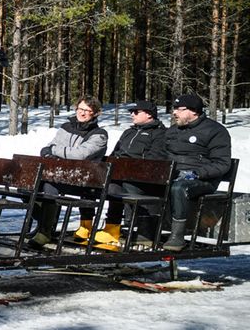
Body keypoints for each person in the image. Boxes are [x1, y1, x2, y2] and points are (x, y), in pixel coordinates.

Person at [29, 95, 109, 248]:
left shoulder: (99, 134)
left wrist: (54, 151)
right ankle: (44, 223)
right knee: (28, 185)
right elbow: (46, 148)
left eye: (88, 110)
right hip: (62, 175)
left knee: (49, 187)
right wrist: (53, 151)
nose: (83, 113)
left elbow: (80, 155)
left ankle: (45, 232)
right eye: (80, 109)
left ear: (95, 113)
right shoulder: (66, 127)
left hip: (84, 180)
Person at [162, 93, 232, 252]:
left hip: (203, 180)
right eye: (174, 109)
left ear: (194, 111)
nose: (174, 113)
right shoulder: (173, 131)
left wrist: (195, 173)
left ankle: (177, 236)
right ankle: (145, 230)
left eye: (180, 109)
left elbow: (222, 164)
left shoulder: (215, 131)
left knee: (179, 187)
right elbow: (162, 154)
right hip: (173, 174)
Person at [94, 100, 168, 249]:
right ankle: (111, 228)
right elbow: (115, 153)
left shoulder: (160, 134)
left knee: (125, 185)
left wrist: (129, 168)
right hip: (122, 174)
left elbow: (154, 159)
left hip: (145, 178)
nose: (132, 115)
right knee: (112, 186)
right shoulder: (129, 132)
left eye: (136, 112)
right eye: (131, 112)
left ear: (148, 114)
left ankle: (143, 230)